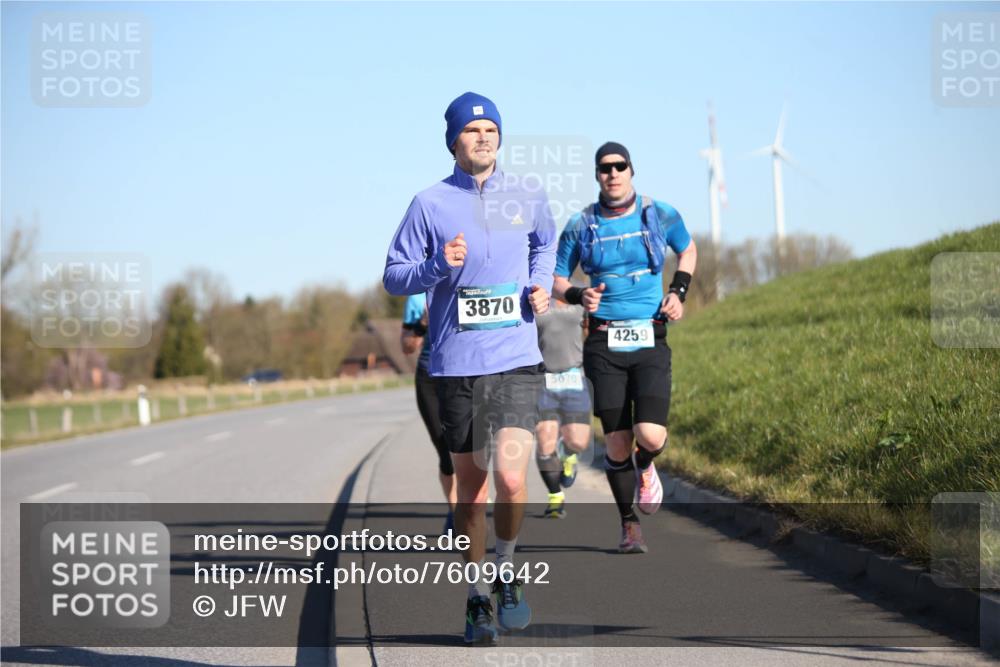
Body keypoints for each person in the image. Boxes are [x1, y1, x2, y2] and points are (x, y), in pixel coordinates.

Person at [383, 92, 556, 645]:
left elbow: (546, 245)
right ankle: (476, 597)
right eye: (471, 130)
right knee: (472, 493)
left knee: (511, 477)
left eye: (491, 129)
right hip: (455, 365)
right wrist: (437, 265)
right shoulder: (429, 204)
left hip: (515, 359)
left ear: (500, 137)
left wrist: (541, 284)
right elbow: (393, 275)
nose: (482, 137)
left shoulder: (526, 194)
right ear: (453, 140)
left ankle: (507, 571)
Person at [551, 142, 697, 554]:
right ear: (596, 175)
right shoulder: (581, 225)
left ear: (631, 170)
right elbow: (555, 278)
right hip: (603, 341)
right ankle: (628, 525)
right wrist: (580, 295)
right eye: (604, 169)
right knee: (615, 444)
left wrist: (678, 293)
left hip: (650, 335)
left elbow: (687, 249)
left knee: (649, 434)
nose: (612, 174)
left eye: (619, 167)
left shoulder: (659, 214)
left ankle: (647, 464)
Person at [400, 292, 456, 531]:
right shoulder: (416, 299)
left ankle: (471, 500)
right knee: (445, 450)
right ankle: (456, 512)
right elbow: (406, 347)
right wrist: (423, 323)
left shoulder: (466, 282)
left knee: (465, 446)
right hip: (429, 376)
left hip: (461, 371)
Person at [534, 297, 591, 519]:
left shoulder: (578, 293)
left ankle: (569, 454)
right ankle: (555, 496)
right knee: (545, 442)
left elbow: (590, 329)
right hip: (542, 379)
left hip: (574, 376)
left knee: (578, 441)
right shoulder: (532, 292)